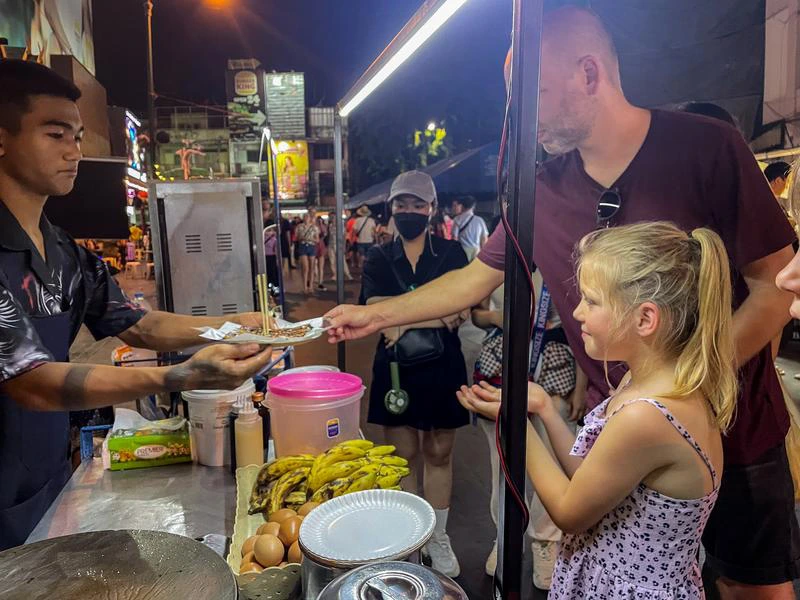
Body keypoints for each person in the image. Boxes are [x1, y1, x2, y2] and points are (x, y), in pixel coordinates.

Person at [325, 8, 799, 598]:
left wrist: (682, 386)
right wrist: (377, 313)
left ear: (589, 74)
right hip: (614, 430)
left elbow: (775, 288)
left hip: (737, 426)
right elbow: (475, 278)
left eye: (534, 96)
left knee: (749, 586)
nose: (521, 118)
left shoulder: (707, 147)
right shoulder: (542, 189)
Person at [0, 60, 273, 550]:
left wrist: (232, 325)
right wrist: (177, 377)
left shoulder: (61, 251)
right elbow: (31, 382)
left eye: (77, 137)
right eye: (55, 134)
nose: (74, 151)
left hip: (44, 479)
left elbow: (137, 325)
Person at [459, 222, 737, 599]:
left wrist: (515, 423)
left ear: (645, 319)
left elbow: (569, 511)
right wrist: (544, 408)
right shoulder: (641, 383)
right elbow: (591, 476)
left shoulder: (648, 416)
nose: (576, 312)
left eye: (591, 301)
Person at [360, 170, 470, 578]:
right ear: (391, 209)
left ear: (431, 208)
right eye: (402, 204)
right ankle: (411, 536)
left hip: (443, 367)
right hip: (395, 370)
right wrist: (434, 311)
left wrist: (402, 318)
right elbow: (373, 311)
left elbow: (461, 309)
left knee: (439, 453)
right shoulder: (378, 256)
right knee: (402, 455)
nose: (409, 211)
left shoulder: (452, 253)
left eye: (417, 205)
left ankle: (438, 536)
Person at [450, 196, 488, 261]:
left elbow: (454, 238)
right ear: (473, 207)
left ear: (462, 206)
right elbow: (484, 239)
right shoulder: (479, 220)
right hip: (476, 252)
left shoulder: (457, 219)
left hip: (462, 252)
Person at [295, 210, 319, 295]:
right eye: (305, 217)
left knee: (312, 267)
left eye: (308, 217)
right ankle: (305, 286)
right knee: (305, 268)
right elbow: (296, 237)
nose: (306, 218)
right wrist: (301, 238)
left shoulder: (314, 227)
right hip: (303, 246)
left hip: (311, 246)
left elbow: (317, 239)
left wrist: (311, 239)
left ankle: (311, 286)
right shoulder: (299, 227)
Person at [326, 212, 353, 282]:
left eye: (333, 217)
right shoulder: (330, 226)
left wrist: (344, 245)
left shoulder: (341, 226)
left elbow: (344, 236)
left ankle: (347, 274)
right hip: (331, 245)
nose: (332, 218)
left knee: (342, 260)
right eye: (331, 217)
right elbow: (329, 236)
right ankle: (335, 274)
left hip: (339, 244)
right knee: (332, 261)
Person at [353, 204, 377, 269]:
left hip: (360, 241)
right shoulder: (371, 220)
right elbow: (374, 231)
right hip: (370, 240)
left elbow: (354, 230)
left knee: (362, 255)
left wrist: (354, 238)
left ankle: (362, 267)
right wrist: (375, 238)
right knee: (368, 255)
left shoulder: (357, 220)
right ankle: (368, 267)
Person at [315, 215, 328, 291]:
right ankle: (316, 279)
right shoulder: (313, 227)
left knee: (321, 266)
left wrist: (321, 225)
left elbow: (324, 234)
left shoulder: (323, 227)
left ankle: (320, 282)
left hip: (321, 246)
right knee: (314, 265)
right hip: (315, 246)